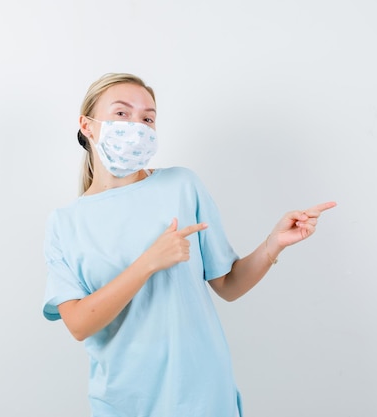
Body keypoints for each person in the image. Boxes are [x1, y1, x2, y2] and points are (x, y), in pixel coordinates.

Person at [42, 72, 336, 417]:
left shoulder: (181, 185)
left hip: (202, 394)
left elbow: (227, 284)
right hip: (124, 401)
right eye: (122, 113)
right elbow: (78, 324)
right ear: (87, 125)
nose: (137, 124)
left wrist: (274, 244)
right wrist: (148, 262)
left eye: (147, 118)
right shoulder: (66, 223)